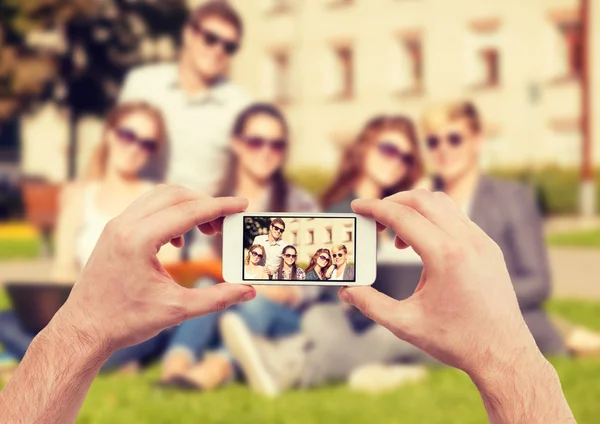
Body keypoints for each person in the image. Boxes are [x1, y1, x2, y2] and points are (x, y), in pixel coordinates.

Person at [0, 188, 576, 423]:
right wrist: (512, 362)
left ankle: (231, 365)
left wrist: (75, 333)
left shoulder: (298, 204)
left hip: (304, 310)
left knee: (277, 315)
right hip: (282, 307)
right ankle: (214, 365)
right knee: (250, 311)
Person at [221, 115, 428, 395]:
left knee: (409, 334)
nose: (396, 161)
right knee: (327, 324)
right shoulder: (339, 215)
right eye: (388, 150)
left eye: (406, 158)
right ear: (364, 149)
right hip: (345, 318)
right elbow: (316, 284)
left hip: (391, 320)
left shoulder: (401, 219)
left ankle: (284, 362)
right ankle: (374, 369)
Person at [0, 101, 176, 371]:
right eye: (128, 135)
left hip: (133, 316)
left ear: (152, 152)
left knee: (150, 333)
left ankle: (49, 360)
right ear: (109, 134)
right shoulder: (80, 197)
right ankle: (99, 362)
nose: (134, 148)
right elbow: (63, 268)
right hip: (84, 311)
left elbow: (169, 274)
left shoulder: (156, 200)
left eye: (146, 143)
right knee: (5, 320)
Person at [419, 100, 600, 357]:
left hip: (503, 318)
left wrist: (473, 298)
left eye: (455, 139)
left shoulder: (512, 198)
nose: (444, 149)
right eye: (433, 142)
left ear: (477, 141)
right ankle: (572, 336)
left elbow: (537, 283)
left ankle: (570, 337)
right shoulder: (423, 201)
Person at [158, 103, 319, 390]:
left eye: (277, 145)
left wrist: (286, 290)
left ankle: (213, 371)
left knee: (253, 304)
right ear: (237, 144)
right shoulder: (216, 203)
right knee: (208, 285)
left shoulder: (299, 204)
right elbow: (199, 262)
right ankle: (175, 366)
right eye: (256, 142)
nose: (266, 151)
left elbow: (314, 281)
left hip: (277, 313)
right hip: (223, 301)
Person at [119, 0, 252, 258]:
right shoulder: (142, 85)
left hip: (202, 235)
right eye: (210, 38)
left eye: (229, 46)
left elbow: (245, 180)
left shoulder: (241, 107)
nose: (218, 50)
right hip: (138, 220)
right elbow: (113, 153)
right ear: (189, 34)